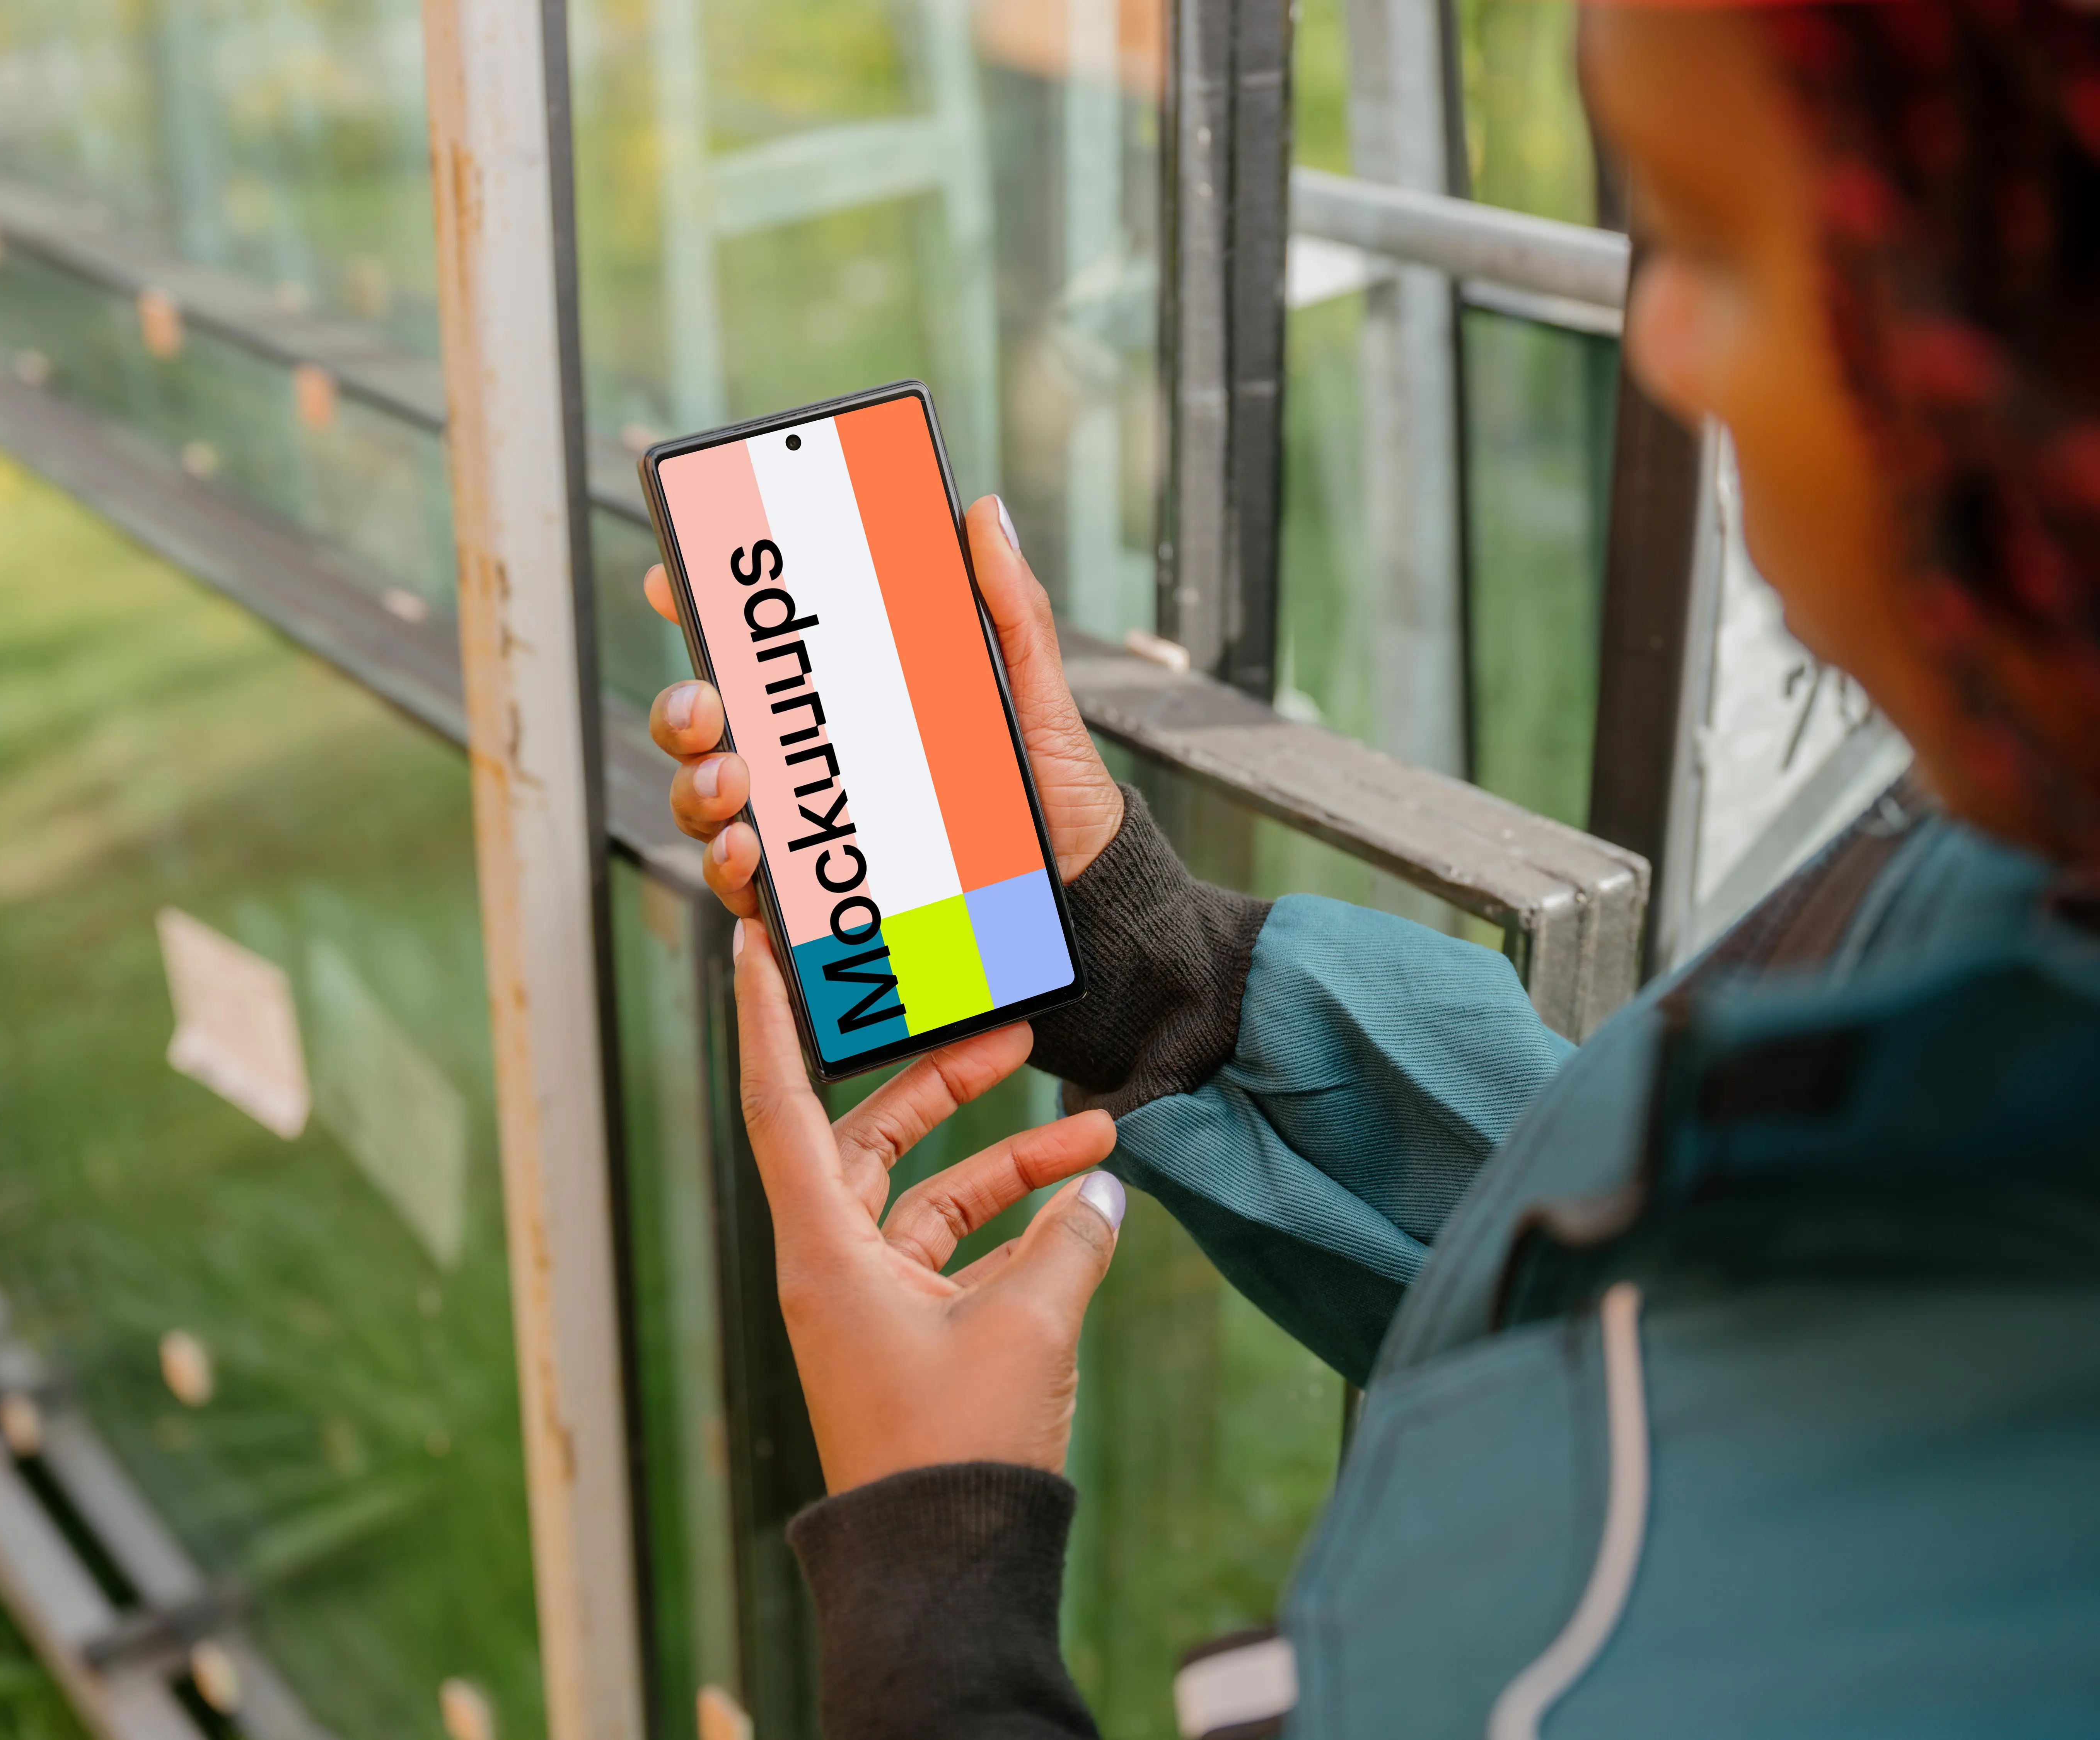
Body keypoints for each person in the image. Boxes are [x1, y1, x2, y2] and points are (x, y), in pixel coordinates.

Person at [642, 2, 2100, 1734]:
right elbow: (1713, 1291)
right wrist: (1143, 970)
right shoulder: (2023, 863)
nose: (1658, 350)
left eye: (1720, 243)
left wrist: (929, 1575)